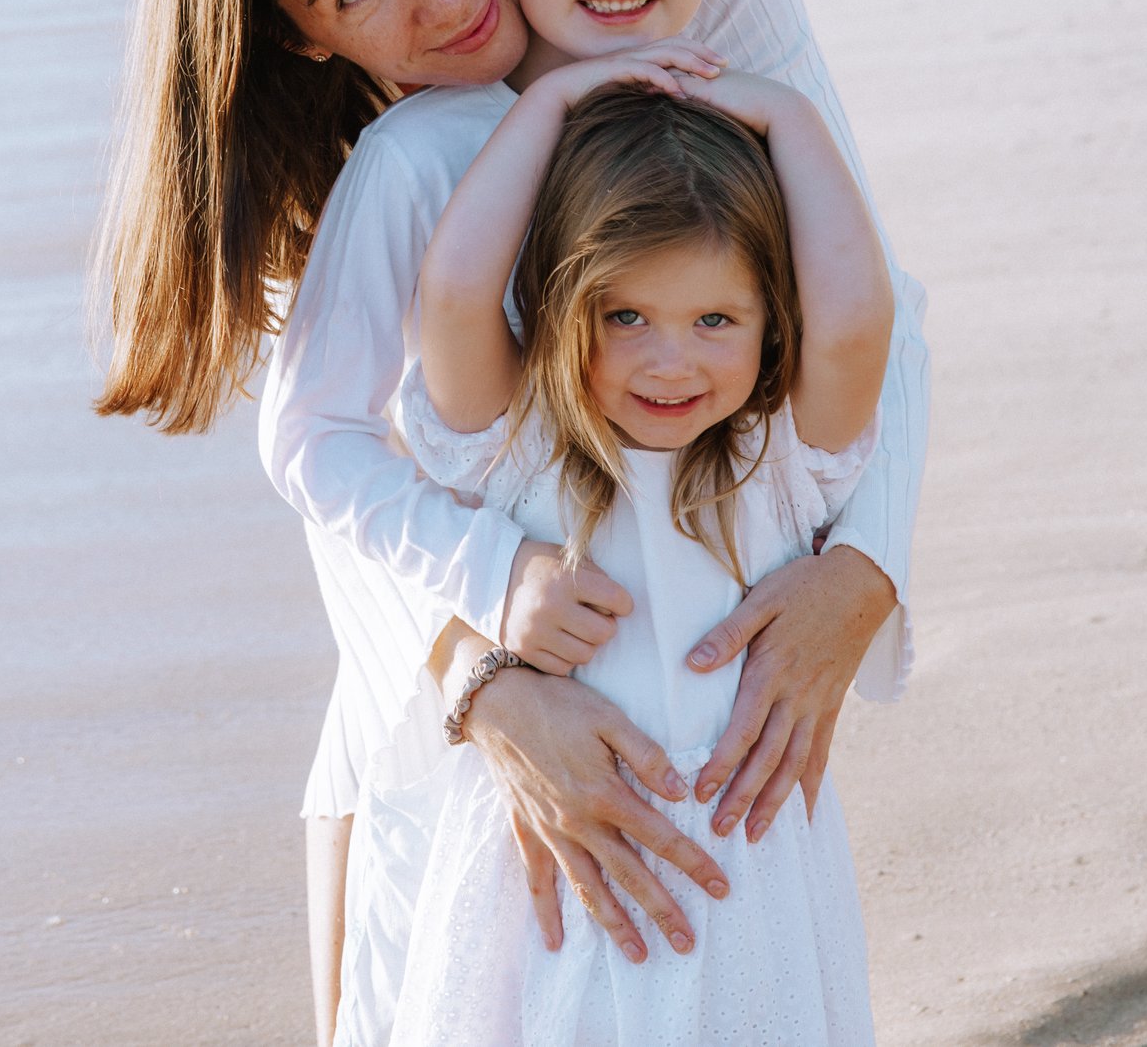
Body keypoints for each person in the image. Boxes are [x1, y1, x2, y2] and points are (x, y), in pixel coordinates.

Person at [95, 0, 928, 1044]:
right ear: (301, 29)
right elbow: (337, 457)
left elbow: (872, 290)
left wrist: (862, 564)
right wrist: (483, 676)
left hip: (639, 607)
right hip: (455, 576)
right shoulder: (386, 172)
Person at [379, 72, 890, 1044]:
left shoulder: (777, 456)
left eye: (715, 319)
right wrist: (548, 104)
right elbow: (451, 293)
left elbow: (861, 314)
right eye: (626, 317)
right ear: (565, 306)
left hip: (748, 875)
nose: (670, 360)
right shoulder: (519, 441)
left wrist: (791, 114)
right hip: (560, 860)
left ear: (772, 315)